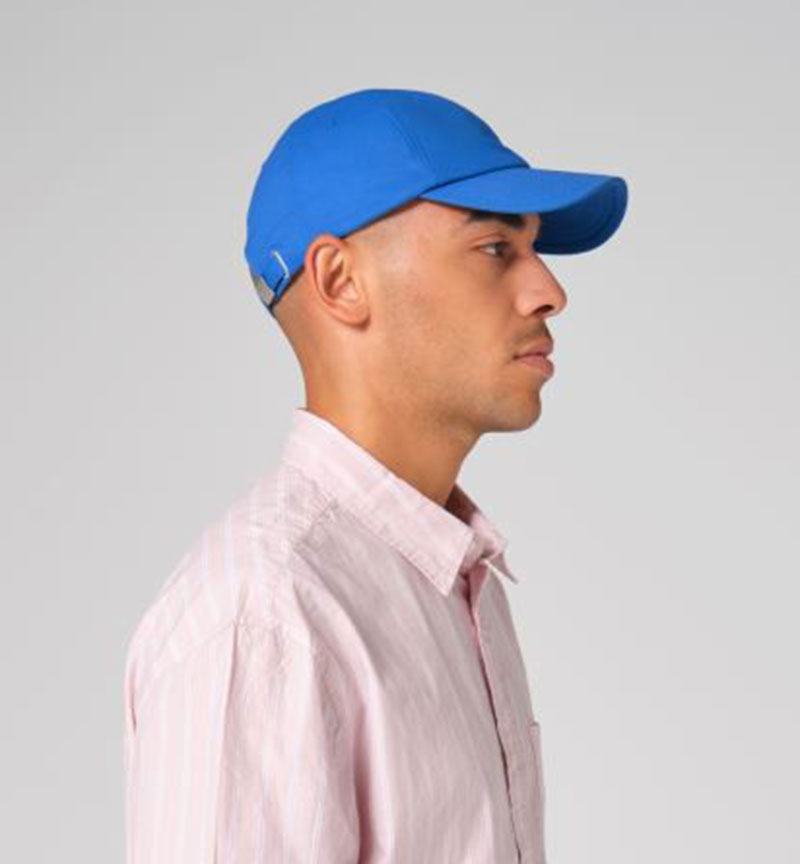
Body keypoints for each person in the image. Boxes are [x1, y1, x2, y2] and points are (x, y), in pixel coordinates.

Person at [122, 87, 628, 863]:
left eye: (535, 250)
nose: (549, 292)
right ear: (340, 282)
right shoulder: (265, 615)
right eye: (496, 249)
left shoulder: (454, 582)